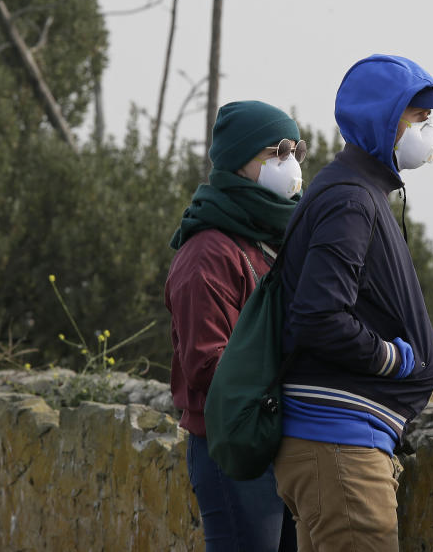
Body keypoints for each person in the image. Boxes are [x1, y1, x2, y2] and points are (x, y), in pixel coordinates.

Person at [274, 54, 433, 551]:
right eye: (420, 117)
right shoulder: (350, 201)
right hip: (340, 445)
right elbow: (318, 316)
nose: (430, 130)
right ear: (385, 119)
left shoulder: (355, 191)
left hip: (338, 445)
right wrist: (395, 359)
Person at [165, 100, 304, 552]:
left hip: (276, 442)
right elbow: (207, 361)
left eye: (296, 151)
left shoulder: (271, 237)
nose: (290, 164)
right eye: (277, 152)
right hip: (232, 449)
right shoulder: (208, 252)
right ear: (239, 160)